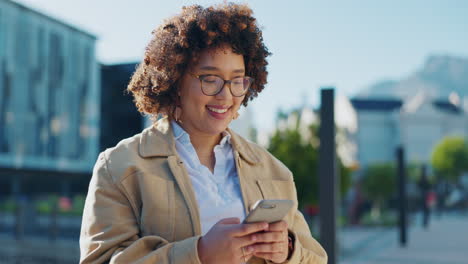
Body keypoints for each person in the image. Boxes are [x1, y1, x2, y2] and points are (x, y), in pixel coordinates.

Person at [79, 3, 327, 264]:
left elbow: (316, 259)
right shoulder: (119, 166)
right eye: (210, 79)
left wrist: (287, 252)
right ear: (174, 81)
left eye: (237, 80)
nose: (226, 95)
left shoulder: (274, 171)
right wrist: (199, 254)